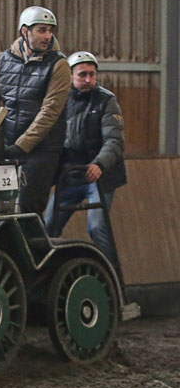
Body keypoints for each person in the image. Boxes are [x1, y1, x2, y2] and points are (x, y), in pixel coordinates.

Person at [0, 6, 70, 214]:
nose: (47, 36)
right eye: (42, 30)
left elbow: (50, 111)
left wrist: (22, 145)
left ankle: (35, 247)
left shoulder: (59, 65)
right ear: (25, 32)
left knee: (28, 206)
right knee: (2, 204)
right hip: (8, 146)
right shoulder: (3, 60)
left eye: (50, 30)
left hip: (41, 151)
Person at [44, 51, 127, 270]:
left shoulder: (106, 101)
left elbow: (115, 141)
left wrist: (99, 164)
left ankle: (112, 280)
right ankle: (47, 276)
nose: (88, 79)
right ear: (71, 77)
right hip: (70, 175)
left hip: (99, 176)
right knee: (47, 226)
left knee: (97, 227)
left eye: (92, 74)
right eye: (82, 75)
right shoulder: (61, 101)